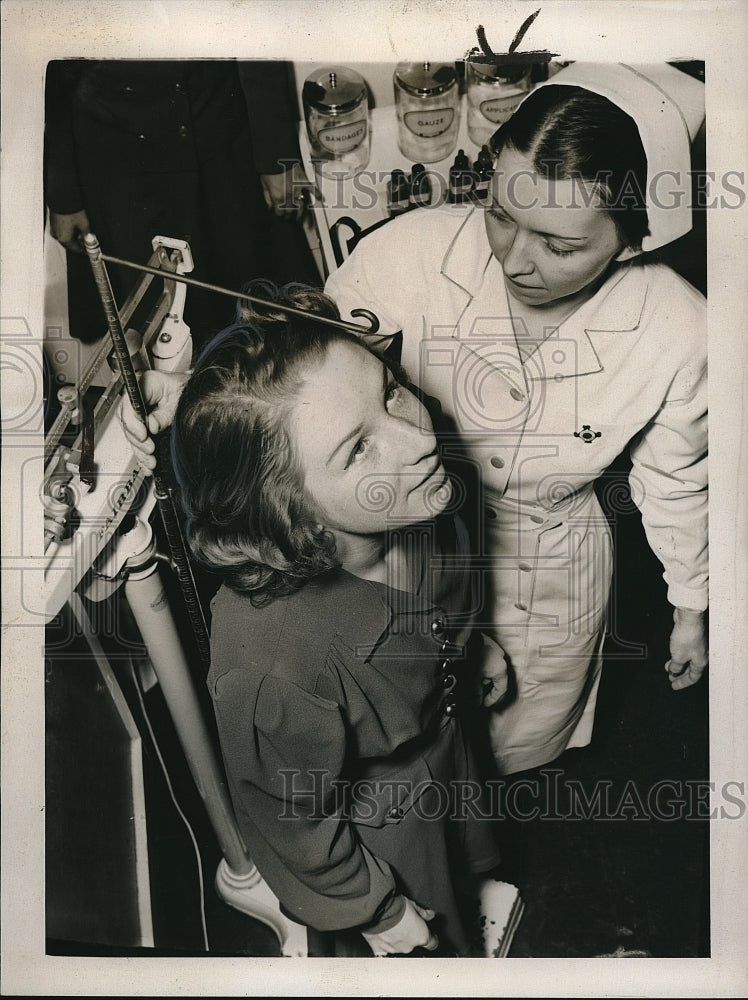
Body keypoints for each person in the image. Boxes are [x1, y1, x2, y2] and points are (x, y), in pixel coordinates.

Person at [122, 62, 709, 777]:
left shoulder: (681, 329)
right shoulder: (416, 249)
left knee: (520, 743)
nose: (516, 260)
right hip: (414, 547)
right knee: (411, 746)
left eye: (560, 246)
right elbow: (299, 359)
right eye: (500, 213)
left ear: (634, 239)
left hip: (555, 569)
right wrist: (186, 391)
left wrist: (690, 605)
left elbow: (675, 479)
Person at [168, 282, 508, 957]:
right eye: (358, 449)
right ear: (286, 508)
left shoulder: (408, 509)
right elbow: (291, 820)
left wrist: (474, 645)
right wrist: (377, 909)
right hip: (378, 826)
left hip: (444, 757)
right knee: (431, 949)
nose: (415, 437)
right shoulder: (271, 666)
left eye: (390, 391)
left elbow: (441, 602)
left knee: (466, 877)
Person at [44, 59, 319, 349]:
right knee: (158, 337)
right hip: (118, 165)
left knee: (269, 328)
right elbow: (49, 72)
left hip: (221, 144)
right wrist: (63, 194)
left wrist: (277, 159)